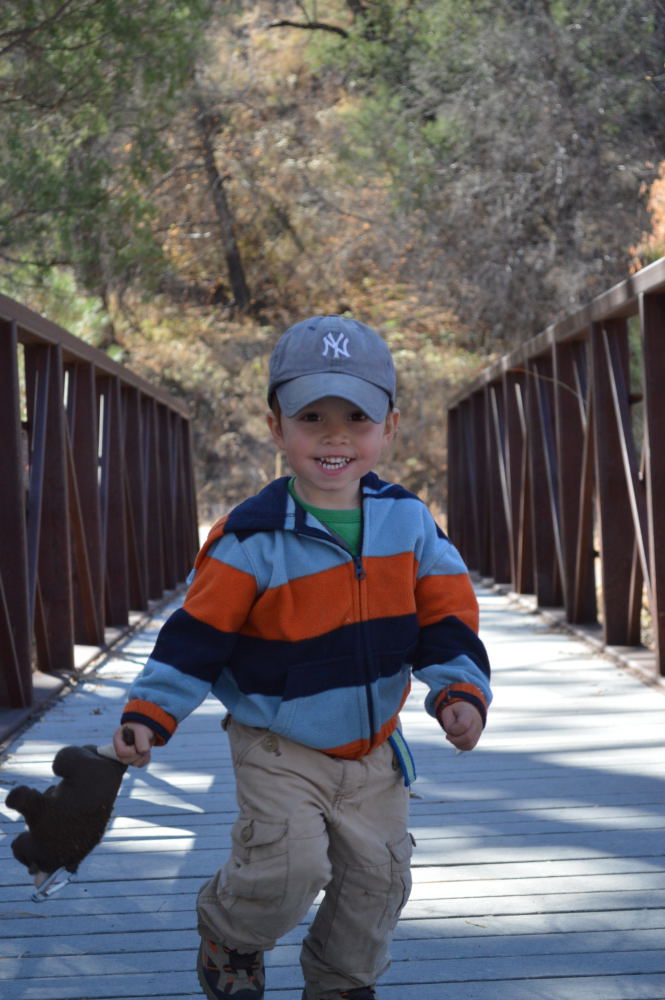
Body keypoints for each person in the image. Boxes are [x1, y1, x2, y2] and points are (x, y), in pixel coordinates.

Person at [113, 314, 492, 1000]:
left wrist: (458, 690)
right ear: (276, 427)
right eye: (311, 416)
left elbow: (445, 618)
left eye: (357, 417)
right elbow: (195, 636)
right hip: (277, 741)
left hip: (374, 747)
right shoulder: (250, 537)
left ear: (389, 427)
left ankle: (341, 982)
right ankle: (231, 933)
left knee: (378, 880)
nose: (334, 435)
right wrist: (150, 711)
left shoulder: (408, 523)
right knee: (286, 867)